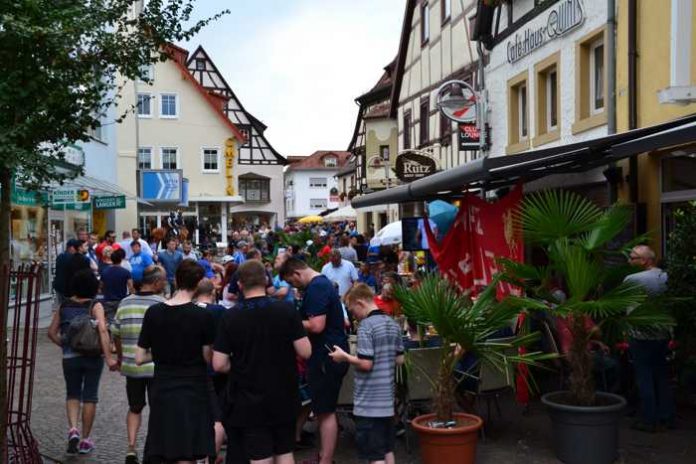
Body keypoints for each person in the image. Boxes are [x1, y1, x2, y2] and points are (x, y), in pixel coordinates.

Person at [213, 260, 311, 464]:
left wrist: (239, 365)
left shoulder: (230, 317)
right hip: (284, 392)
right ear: (266, 281)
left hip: (249, 396)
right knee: (285, 450)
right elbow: (305, 351)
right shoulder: (286, 310)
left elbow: (219, 364)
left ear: (239, 284)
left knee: (260, 455)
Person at [135, 260, 216, 463]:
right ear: (197, 284)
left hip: (162, 388)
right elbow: (208, 357)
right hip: (193, 388)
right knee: (187, 450)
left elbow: (139, 358)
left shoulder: (153, 312)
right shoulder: (203, 316)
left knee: (166, 448)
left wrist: (162, 352)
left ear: (176, 280)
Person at [279, 258, 349, 464]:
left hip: (325, 356)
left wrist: (291, 321)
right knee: (322, 409)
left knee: (325, 411)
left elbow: (317, 325)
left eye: (292, 282)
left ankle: (325, 460)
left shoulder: (317, 287)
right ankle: (322, 457)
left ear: (296, 274)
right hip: (326, 354)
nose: (293, 286)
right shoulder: (321, 285)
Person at [329, 284, 404, 464]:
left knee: (374, 455)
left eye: (352, 309)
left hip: (369, 402)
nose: (353, 315)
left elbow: (366, 363)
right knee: (387, 450)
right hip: (387, 400)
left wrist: (345, 356)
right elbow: (400, 359)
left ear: (360, 302)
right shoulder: (393, 324)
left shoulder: (366, 327)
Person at [47, 269, 118, 455]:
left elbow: (51, 333)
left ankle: (73, 430)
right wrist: (109, 356)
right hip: (93, 356)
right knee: (90, 396)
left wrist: (64, 345)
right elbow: (102, 330)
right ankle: (85, 440)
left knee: (72, 394)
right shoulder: (95, 305)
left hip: (70, 357)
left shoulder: (64, 306)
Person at [112, 266, 166, 464]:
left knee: (134, 407)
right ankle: (154, 449)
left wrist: (120, 355)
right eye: (164, 280)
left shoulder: (125, 303)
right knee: (157, 408)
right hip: (154, 366)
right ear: (156, 282)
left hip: (131, 367)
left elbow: (115, 332)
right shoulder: (162, 304)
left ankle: (131, 447)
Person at [625, 245, 674, 432]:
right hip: (662, 334)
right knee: (661, 375)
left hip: (640, 334)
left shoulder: (632, 279)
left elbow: (625, 304)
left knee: (644, 376)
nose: (629, 261)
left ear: (645, 261)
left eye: (633, 258)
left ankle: (648, 419)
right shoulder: (665, 277)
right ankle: (666, 416)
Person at [193, 279, 229, 462]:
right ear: (212, 292)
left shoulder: (189, 310)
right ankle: (211, 456)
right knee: (217, 415)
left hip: (194, 368)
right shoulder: (220, 311)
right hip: (216, 367)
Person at [100, 248, 133, 323]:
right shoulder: (126, 272)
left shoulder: (105, 272)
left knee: (110, 321)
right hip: (121, 300)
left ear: (111, 260)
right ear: (121, 260)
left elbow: (101, 286)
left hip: (108, 300)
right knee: (121, 320)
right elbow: (131, 287)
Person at [53, 239, 81, 307]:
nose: (77, 251)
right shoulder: (73, 258)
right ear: (71, 248)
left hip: (59, 287)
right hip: (69, 289)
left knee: (61, 306)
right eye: (76, 249)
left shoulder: (60, 256)